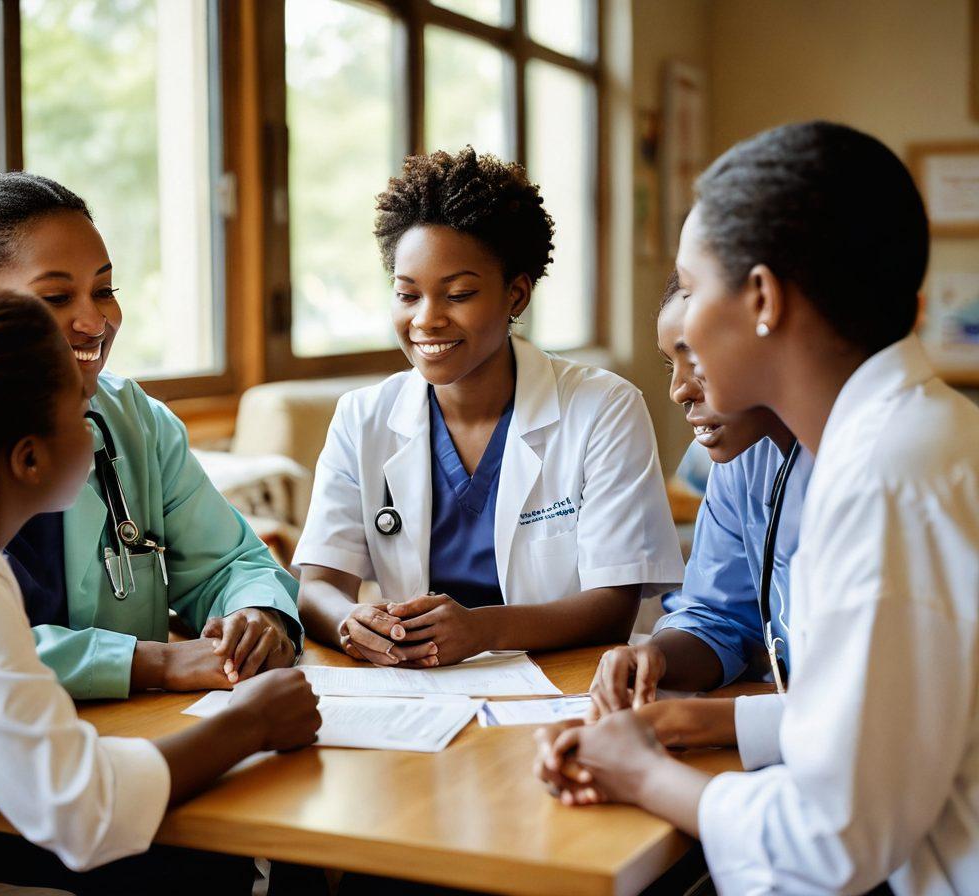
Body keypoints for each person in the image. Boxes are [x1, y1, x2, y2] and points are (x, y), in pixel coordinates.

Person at [537, 121, 979, 894]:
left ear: (764, 299)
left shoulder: (883, 478)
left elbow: (829, 843)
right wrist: (693, 721)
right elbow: (902, 718)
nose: (684, 337)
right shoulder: (923, 434)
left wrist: (642, 774)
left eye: (694, 285)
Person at [0, 290, 321, 896]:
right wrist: (251, 723)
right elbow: (79, 810)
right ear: (30, 458)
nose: (96, 429)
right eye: (82, 411)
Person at [0, 173, 300, 700]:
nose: (95, 321)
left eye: (104, 290)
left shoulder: (131, 419)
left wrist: (255, 615)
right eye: (55, 296)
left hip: (133, 738)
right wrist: (151, 662)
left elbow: (230, 563)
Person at [295, 147, 684, 667]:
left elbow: (614, 605)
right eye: (408, 295)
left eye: (458, 295)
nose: (426, 320)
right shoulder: (361, 418)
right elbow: (319, 584)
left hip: (561, 683)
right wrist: (352, 622)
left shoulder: (604, 408)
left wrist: (482, 630)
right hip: (415, 688)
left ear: (516, 295)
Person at [587, 272, 811, 764]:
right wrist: (658, 657)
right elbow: (719, 617)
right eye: (672, 363)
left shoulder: (867, 470)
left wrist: (696, 721)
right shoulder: (742, 462)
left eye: (696, 357)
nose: (678, 390)